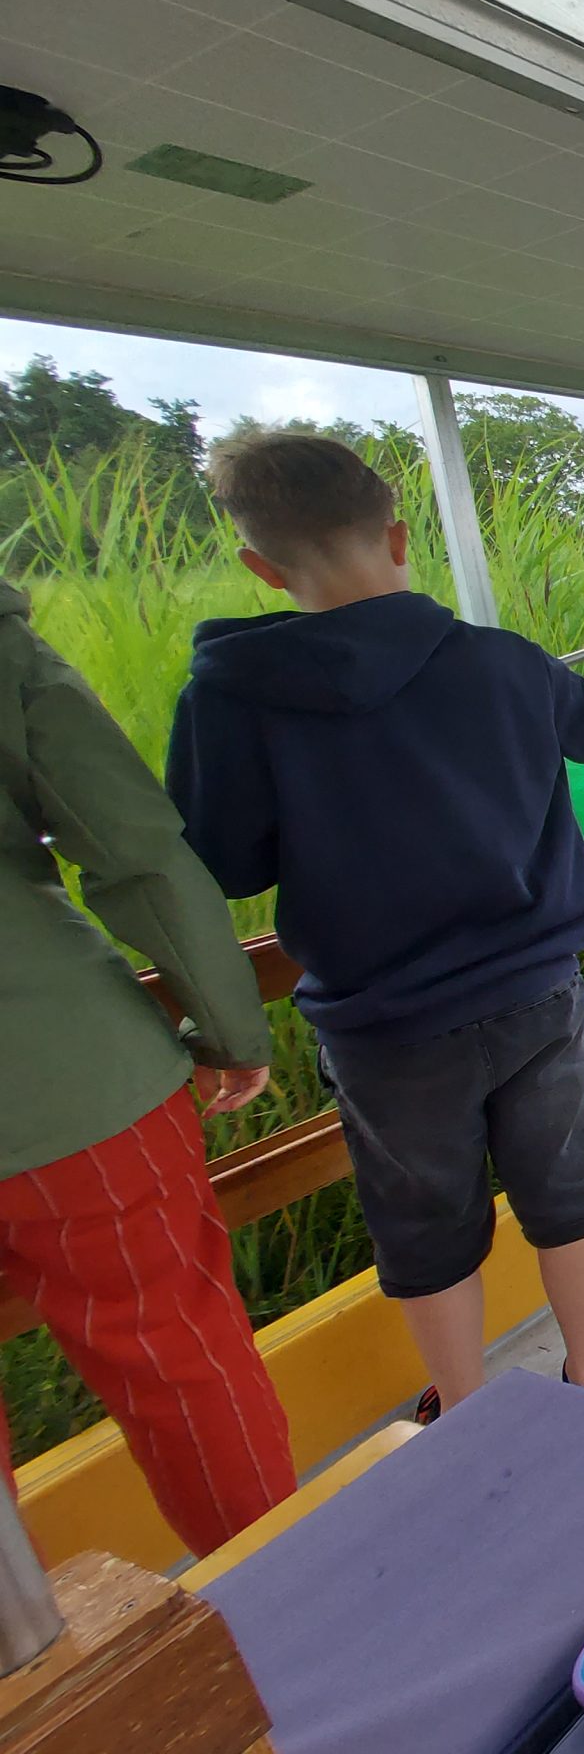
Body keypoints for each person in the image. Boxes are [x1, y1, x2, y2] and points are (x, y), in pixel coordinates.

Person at [166, 432, 584, 1423]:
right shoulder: (500, 663)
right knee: (567, 1184)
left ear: (261, 567)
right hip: (532, 991)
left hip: (382, 1021)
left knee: (423, 1224)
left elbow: (224, 865)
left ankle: (465, 1409)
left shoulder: (227, 699)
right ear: (399, 538)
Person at [0, 579, 296, 1556]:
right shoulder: (8, 655)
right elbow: (135, 851)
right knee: (179, 1360)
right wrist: (228, 1028)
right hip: (65, 1080)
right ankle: (278, 1599)